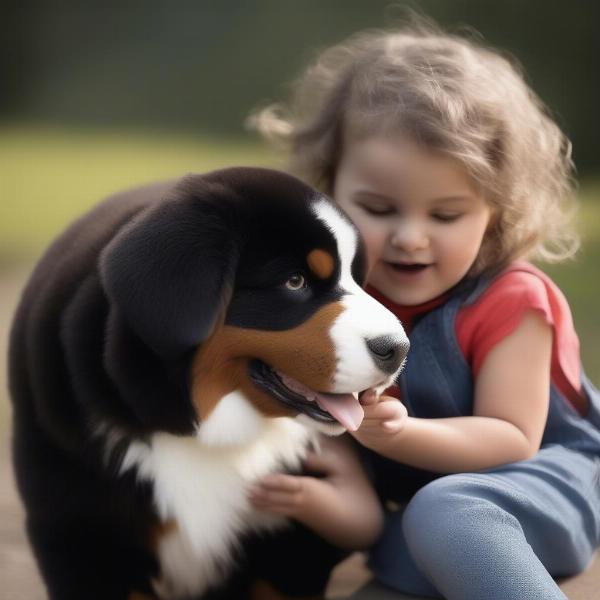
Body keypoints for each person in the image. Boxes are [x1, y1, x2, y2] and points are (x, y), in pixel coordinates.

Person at [247, 20, 600, 600]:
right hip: (415, 513)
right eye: (379, 207)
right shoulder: (333, 303)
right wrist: (335, 501)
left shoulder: (512, 300)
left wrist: (402, 437)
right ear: (329, 188)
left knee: (446, 514)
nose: (411, 238)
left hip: (542, 489)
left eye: (446, 215)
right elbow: (347, 484)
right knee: (400, 550)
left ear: (496, 212)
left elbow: (513, 436)